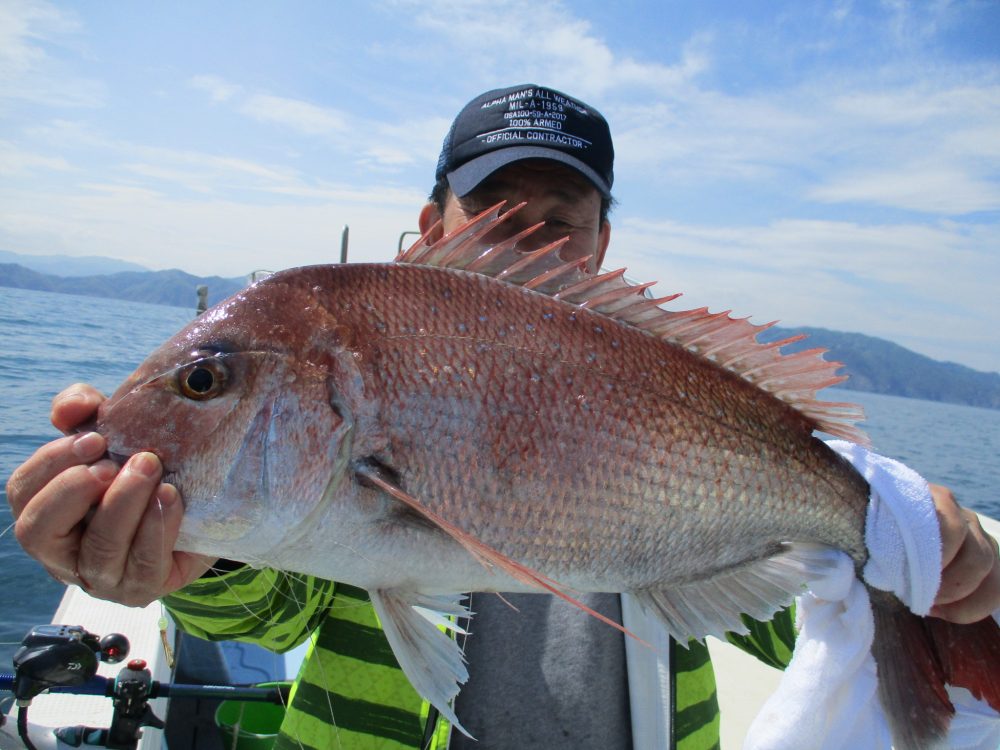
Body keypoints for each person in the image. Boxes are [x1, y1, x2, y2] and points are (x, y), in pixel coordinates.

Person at [7, 84, 1000, 749]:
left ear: (601, 241)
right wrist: (190, 561)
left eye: (556, 220)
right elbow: (280, 605)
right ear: (433, 223)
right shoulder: (352, 354)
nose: (528, 239)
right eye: (496, 213)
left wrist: (916, 543)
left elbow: (791, 620)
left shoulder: (663, 381)